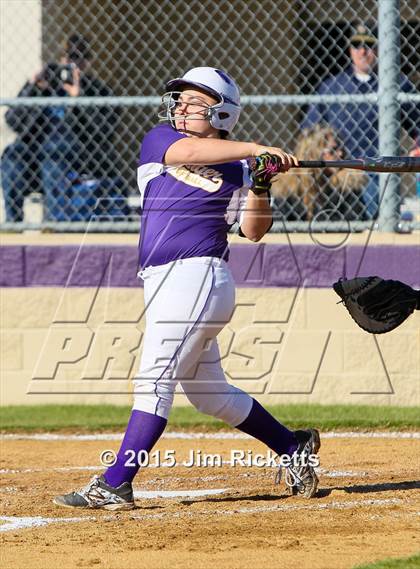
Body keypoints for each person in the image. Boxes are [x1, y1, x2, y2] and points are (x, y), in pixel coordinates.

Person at [53, 66, 321, 510]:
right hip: (170, 283)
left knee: (154, 380)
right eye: (181, 99)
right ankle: (293, 447)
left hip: (197, 277)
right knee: (208, 393)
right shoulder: (161, 141)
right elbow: (190, 151)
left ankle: (116, 482)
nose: (181, 107)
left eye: (195, 102)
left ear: (221, 113)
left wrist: (260, 182)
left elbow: (253, 230)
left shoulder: (237, 170)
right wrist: (259, 149)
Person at [301, 23, 419, 219]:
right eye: (357, 45)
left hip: (379, 170)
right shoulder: (333, 87)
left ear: (379, 49)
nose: (363, 51)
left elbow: (417, 124)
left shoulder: (397, 84)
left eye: (369, 45)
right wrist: (325, 154)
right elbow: (309, 131)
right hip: (341, 171)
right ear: (349, 49)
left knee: (381, 220)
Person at [1, 34, 125, 222]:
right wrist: (33, 88)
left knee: (54, 157)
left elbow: (105, 129)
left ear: (87, 62)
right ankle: (13, 222)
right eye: (69, 57)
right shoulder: (44, 88)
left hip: (76, 159)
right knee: (12, 156)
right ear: (61, 60)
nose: (73, 63)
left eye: (79, 58)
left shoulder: (98, 91)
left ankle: (54, 223)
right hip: (34, 158)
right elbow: (13, 120)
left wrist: (79, 98)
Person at [271, 124, 367, 221]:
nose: (340, 153)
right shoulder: (289, 185)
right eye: (333, 150)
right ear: (312, 155)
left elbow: (355, 221)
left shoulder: (347, 182)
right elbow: (278, 224)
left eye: (341, 148)